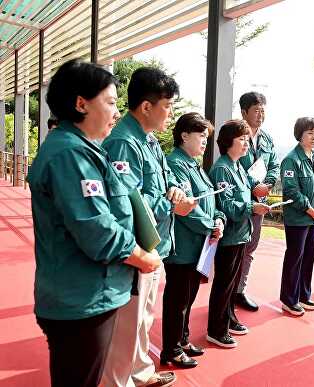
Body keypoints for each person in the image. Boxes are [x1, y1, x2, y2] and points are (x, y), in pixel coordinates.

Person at [28, 59, 161, 387]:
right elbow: (97, 230)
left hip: (87, 295)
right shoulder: (70, 155)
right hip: (81, 300)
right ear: (80, 103)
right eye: (111, 102)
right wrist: (143, 258)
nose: (117, 112)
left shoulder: (84, 149)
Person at [102, 68, 196, 387]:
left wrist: (176, 192)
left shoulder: (150, 141)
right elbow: (129, 206)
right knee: (125, 328)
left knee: (142, 320)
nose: (170, 113)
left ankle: (140, 373)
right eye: (167, 105)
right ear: (146, 106)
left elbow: (167, 179)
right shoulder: (124, 143)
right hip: (137, 252)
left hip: (156, 249)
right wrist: (170, 203)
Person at [161, 113, 226, 368]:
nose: (204, 142)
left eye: (207, 138)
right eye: (201, 136)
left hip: (199, 246)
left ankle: (183, 339)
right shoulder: (176, 164)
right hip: (183, 246)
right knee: (178, 300)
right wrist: (211, 224)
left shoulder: (194, 164)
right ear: (184, 135)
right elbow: (186, 207)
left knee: (188, 297)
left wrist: (218, 219)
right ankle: (172, 349)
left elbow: (210, 199)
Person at [207, 119, 270, 348]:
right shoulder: (223, 168)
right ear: (228, 142)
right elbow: (226, 205)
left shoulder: (237, 166)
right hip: (230, 236)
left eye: (247, 139)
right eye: (241, 139)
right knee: (224, 283)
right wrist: (251, 208)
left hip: (241, 233)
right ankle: (216, 329)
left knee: (232, 284)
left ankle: (229, 318)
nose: (246, 143)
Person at [279, 117, 314, 316]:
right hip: (298, 219)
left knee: (308, 258)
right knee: (295, 258)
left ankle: (303, 295)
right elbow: (291, 191)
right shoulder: (291, 159)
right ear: (299, 134)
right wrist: (310, 209)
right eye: (310, 133)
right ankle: (289, 299)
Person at [235, 91, 280, 312]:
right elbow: (232, 165)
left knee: (250, 248)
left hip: (260, 199)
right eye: (256, 110)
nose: (261, 114)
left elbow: (274, 165)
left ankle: (240, 290)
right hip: (239, 201)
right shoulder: (236, 135)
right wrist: (254, 185)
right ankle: (229, 290)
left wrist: (268, 184)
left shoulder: (267, 138)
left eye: (263, 109)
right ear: (244, 112)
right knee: (235, 247)